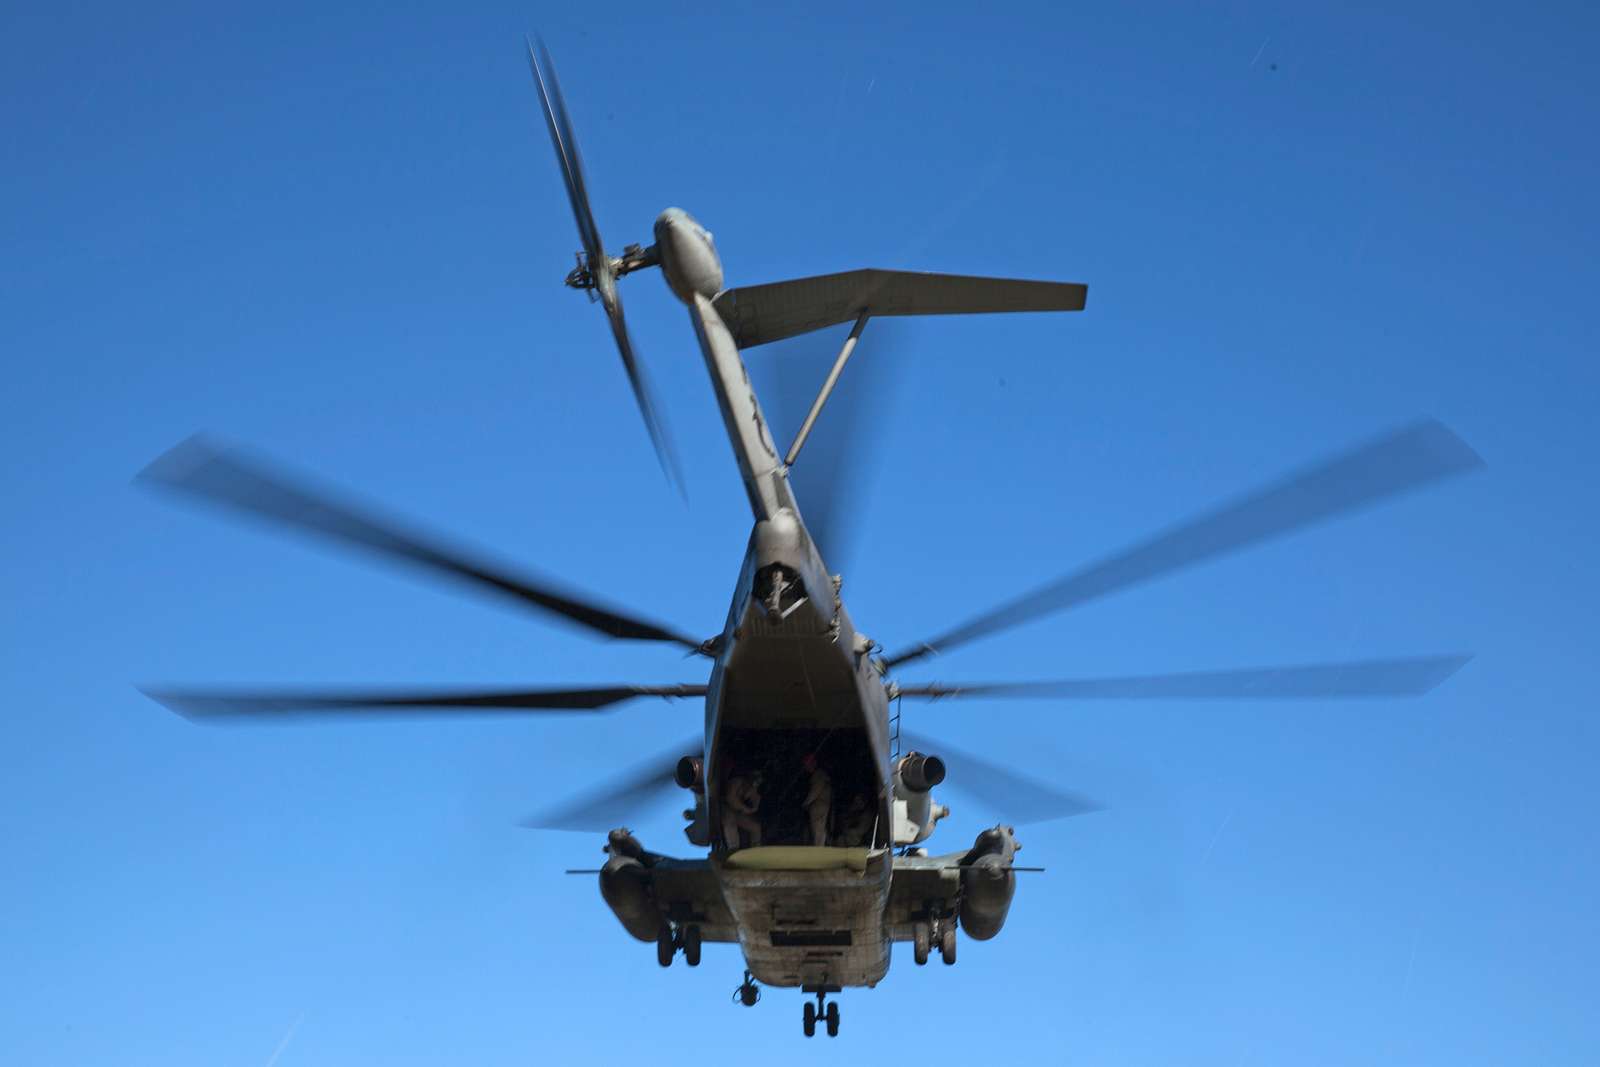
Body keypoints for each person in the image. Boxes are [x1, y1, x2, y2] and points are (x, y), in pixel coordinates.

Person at [723, 771, 763, 851]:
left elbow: (755, 804)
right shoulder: (737, 782)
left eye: (758, 783)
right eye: (755, 781)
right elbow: (730, 799)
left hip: (738, 813)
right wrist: (744, 808)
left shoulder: (752, 790)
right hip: (725, 810)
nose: (755, 784)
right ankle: (734, 850)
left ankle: (756, 851)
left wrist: (754, 803)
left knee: (756, 828)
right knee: (730, 821)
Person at [801, 753, 833, 847]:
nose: (806, 767)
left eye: (807, 765)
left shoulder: (818, 774)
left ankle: (819, 850)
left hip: (819, 805)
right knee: (820, 829)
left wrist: (806, 803)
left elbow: (815, 791)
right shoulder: (820, 774)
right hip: (822, 804)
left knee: (818, 829)